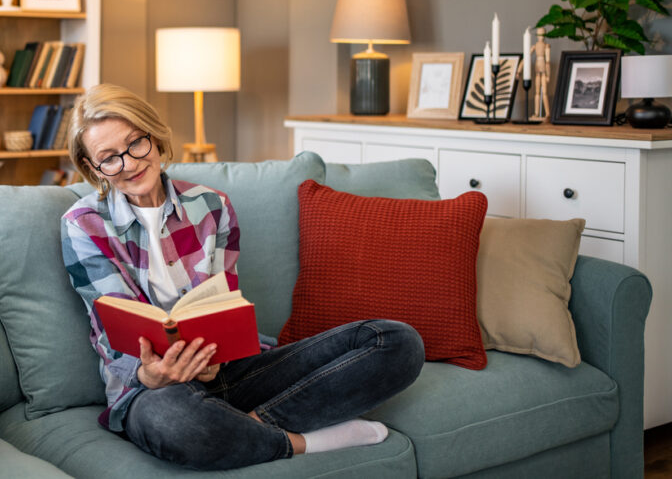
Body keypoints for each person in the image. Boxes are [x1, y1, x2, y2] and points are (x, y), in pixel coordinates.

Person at [60, 84, 424, 471]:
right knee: (178, 424)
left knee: (396, 342)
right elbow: (114, 331)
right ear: (92, 169)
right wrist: (150, 374)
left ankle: (245, 428)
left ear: (154, 136)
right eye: (109, 159)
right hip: (154, 391)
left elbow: (224, 303)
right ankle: (299, 442)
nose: (129, 163)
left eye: (136, 144)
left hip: (229, 370)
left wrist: (217, 359)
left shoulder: (212, 206)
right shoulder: (83, 226)